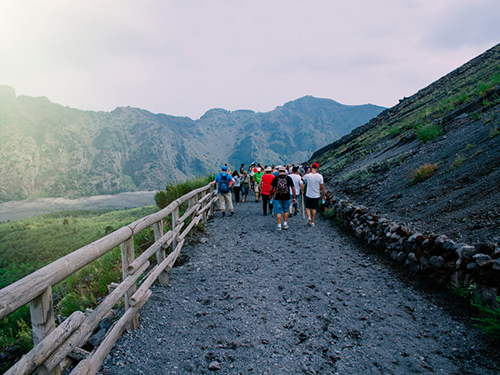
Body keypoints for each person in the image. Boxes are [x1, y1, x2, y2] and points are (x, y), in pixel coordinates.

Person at [300, 162, 326, 227]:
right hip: (316, 195)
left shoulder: (307, 176)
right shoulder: (320, 176)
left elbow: (301, 179)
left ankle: (309, 217)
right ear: (317, 168)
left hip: (308, 194)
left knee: (308, 207)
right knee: (314, 209)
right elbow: (322, 187)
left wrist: (306, 172)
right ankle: (312, 222)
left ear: (311, 167)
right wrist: (324, 195)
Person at [271, 166, 296, 231]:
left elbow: (271, 188)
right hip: (286, 196)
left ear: (278, 171)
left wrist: (271, 195)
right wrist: (294, 197)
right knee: (285, 210)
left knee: (278, 211)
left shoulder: (275, 178)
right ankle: (285, 224)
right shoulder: (288, 178)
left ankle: (279, 225)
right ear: (285, 172)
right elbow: (293, 188)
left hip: (277, 197)